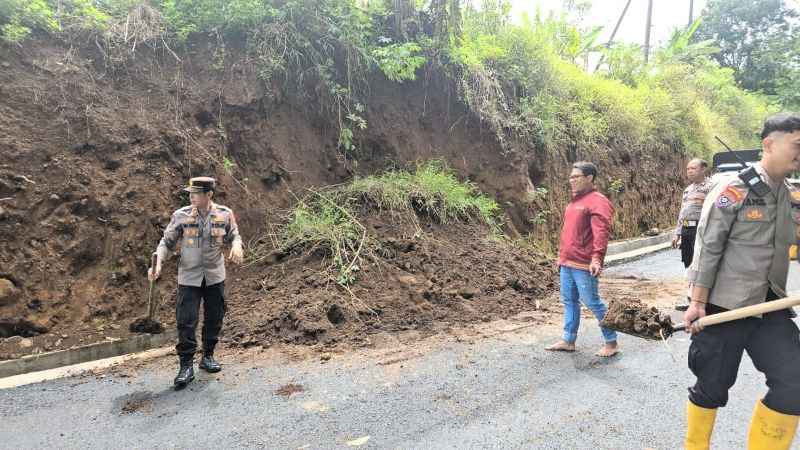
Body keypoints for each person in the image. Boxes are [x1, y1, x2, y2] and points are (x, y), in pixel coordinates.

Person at [683, 113, 800, 449]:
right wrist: (697, 302)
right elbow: (708, 245)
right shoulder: (733, 188)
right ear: (770, 143)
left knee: (794, 382)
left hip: (770, 303)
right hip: (725, 305)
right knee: (712, 386)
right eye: (797, 145)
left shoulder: (790, 195)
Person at [148, 177, 244, 386]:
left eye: (196, 193)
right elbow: (166, 242)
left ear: (208, 195)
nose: (191, 196)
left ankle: (207, 356)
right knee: (186, 320)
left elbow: (235, 235)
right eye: (190, 193)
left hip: (214, 276)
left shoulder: (224, 214)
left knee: (214, 318)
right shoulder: (181, 216)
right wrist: (158, 262)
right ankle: (185, 366)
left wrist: (237, 246)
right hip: (189, 278)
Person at [545, 162, 619, 357]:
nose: (572, 180)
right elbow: (568, 234)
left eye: (576, 177)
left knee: (593, 303)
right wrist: (561, 258)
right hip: (568, 263)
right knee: (569, 301)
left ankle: (611, 342)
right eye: (571, 177)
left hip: (584, 265)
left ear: (590, 178)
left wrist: (596, 259)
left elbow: (601, 233)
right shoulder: (574, 202)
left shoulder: (598, 201)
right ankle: (568, 340)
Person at [671, 158, 712, 268]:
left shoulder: (711, 186)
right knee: (687, 259)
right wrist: (677, 234)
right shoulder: (688, 189)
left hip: (700, 229)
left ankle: (699, 284)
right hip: (686, 230)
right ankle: (690, 284)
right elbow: (682, 212)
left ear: (703, 169)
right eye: (688, 169)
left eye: (693, 168)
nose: (689, 171)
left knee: (699, 260)